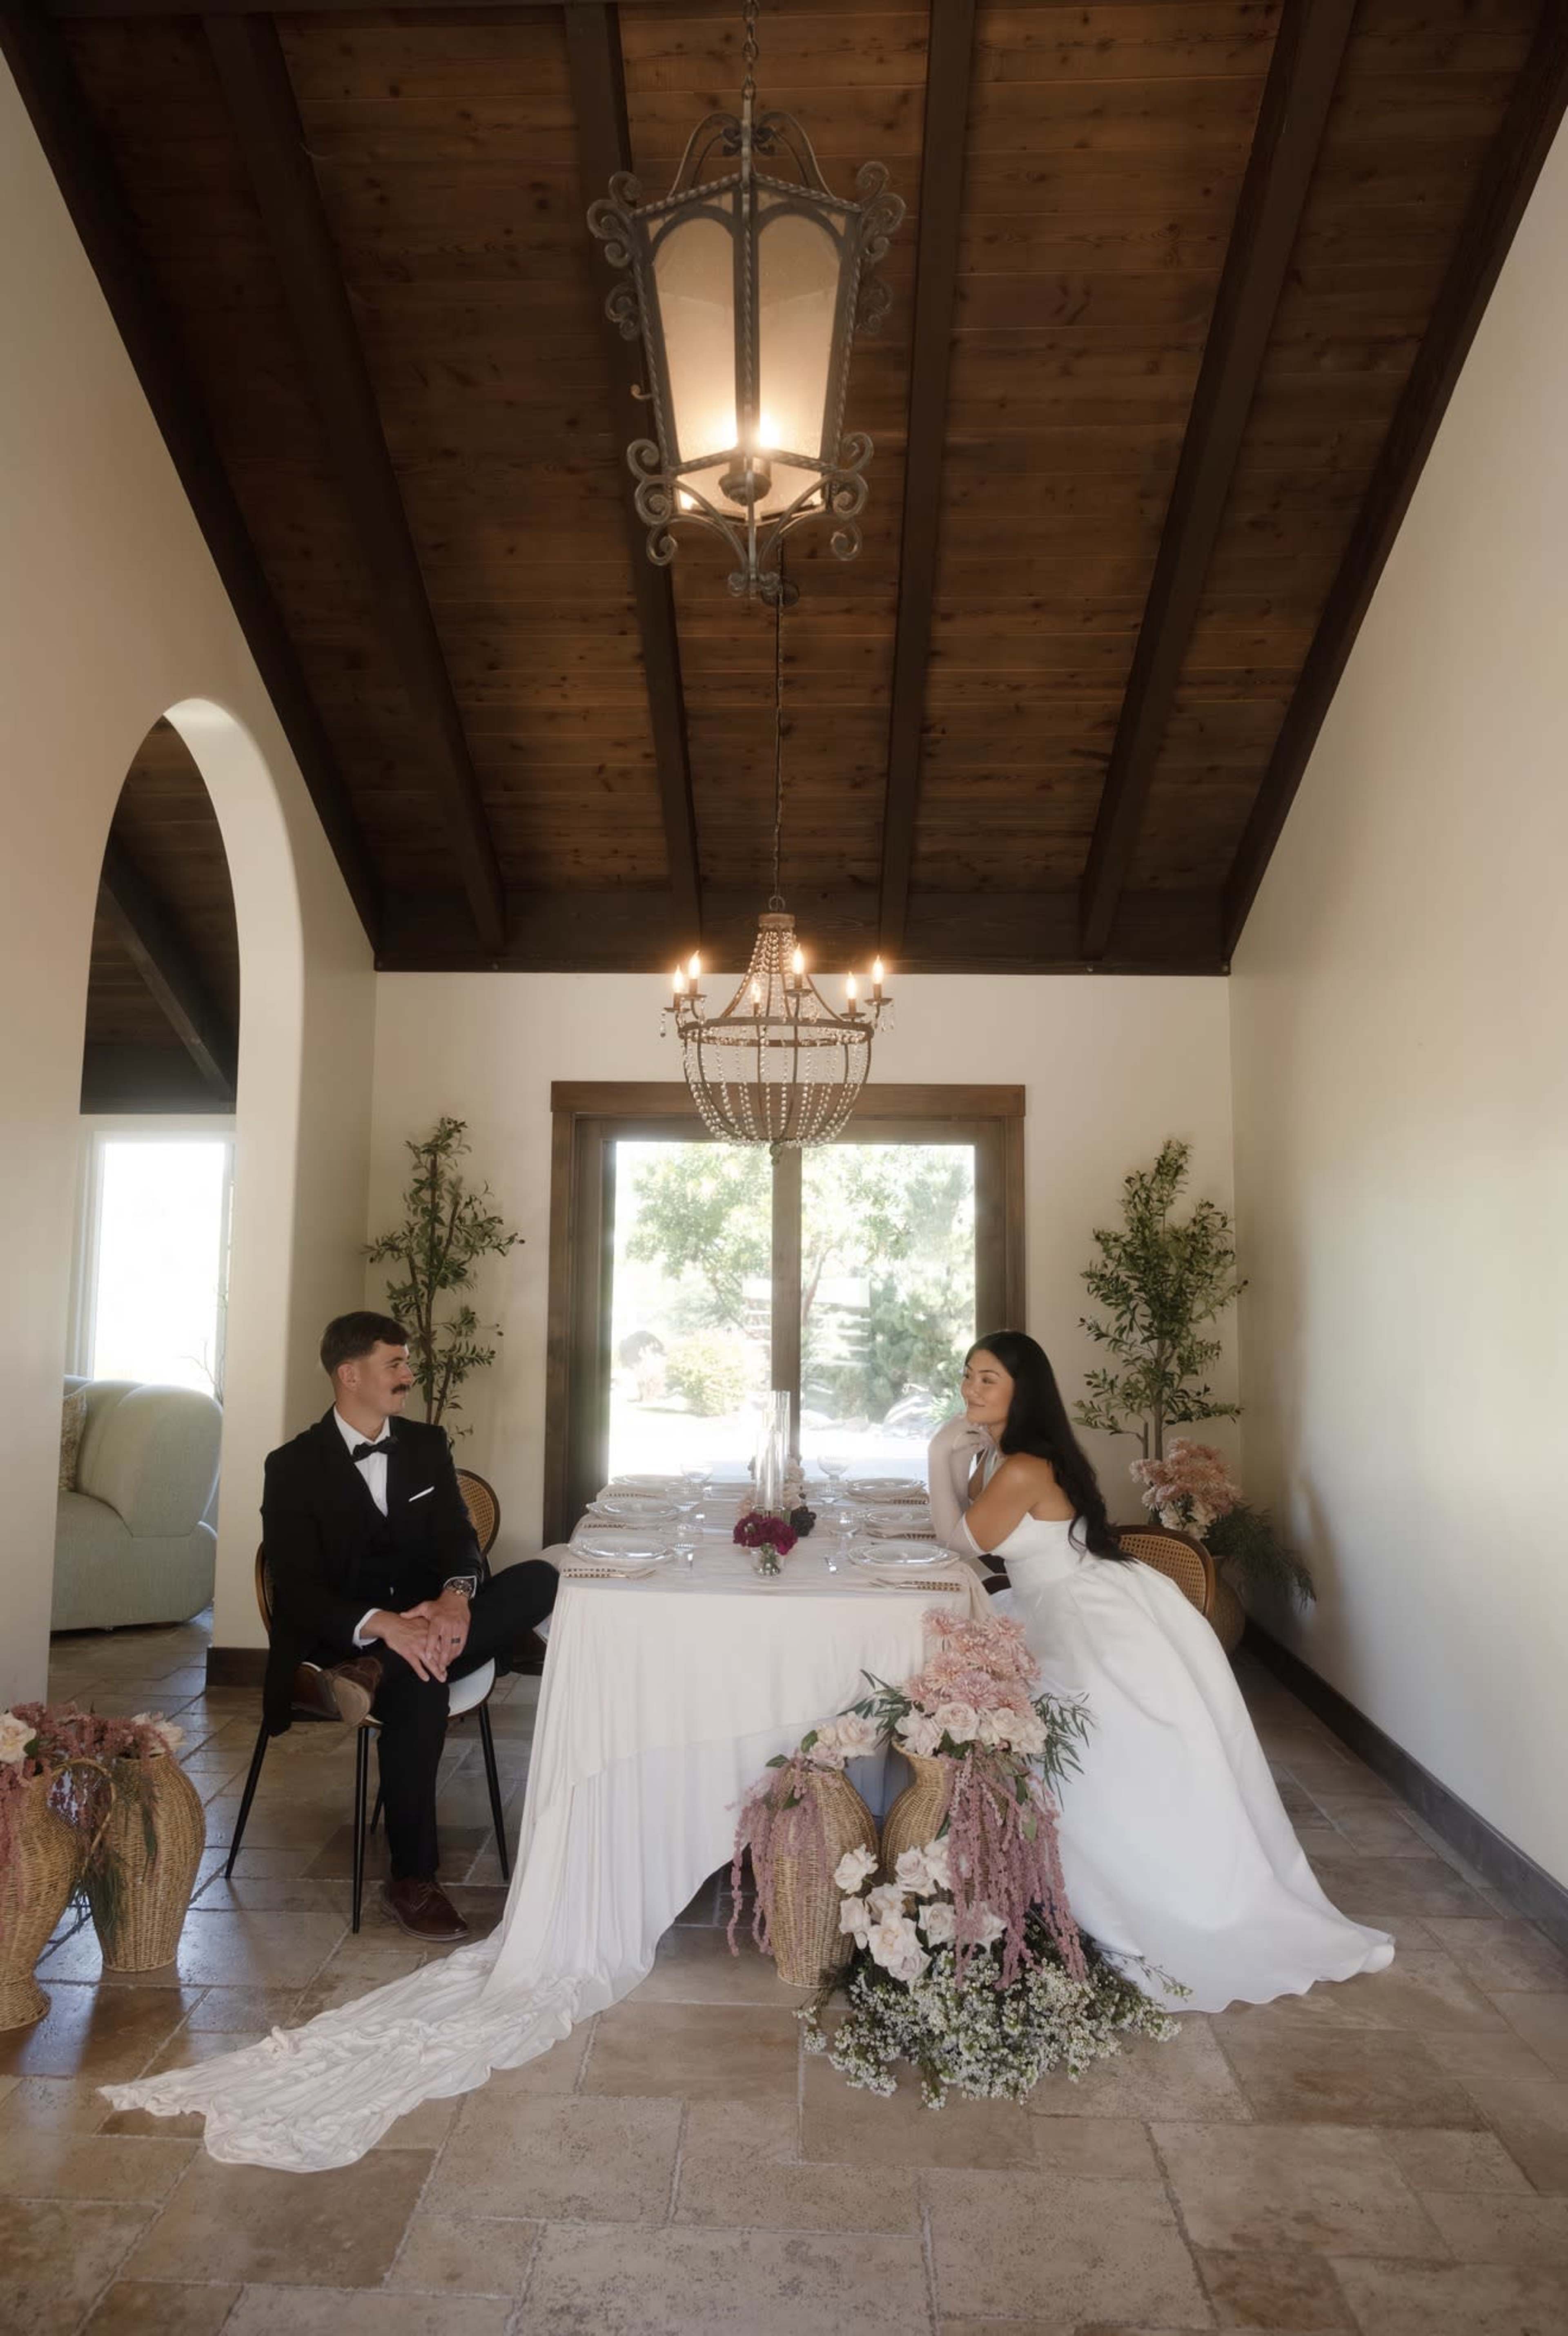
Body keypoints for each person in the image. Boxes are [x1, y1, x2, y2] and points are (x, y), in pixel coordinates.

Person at [927, 1330, 1393, 2013]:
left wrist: (938, 1457)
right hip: (1056, 1598)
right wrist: (962, 1461)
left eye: (987, 1378)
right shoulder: (1003, 1454)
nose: (971, 1388)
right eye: (968, 1375)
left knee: (1090, 1753)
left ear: (1022, 1390)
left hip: (1082, 1616)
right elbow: (982, 1533)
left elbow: (956, 1537)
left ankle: (1146, 1897)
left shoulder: (1024, 1464)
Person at [261, 1311, 557, 1943]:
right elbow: (296, 1587)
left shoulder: (426, 1444)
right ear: (349, 1375)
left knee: (541, 1578)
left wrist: (454, 1598)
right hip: (346, 1635)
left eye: (405, 1362)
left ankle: (376, 1675)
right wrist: (382, 1627)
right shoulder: (291, 1466)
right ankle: (413, 1878)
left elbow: (459, 1539)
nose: (408, 1374)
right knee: (423, 1685)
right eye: (394, 1364)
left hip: (430, 1623)